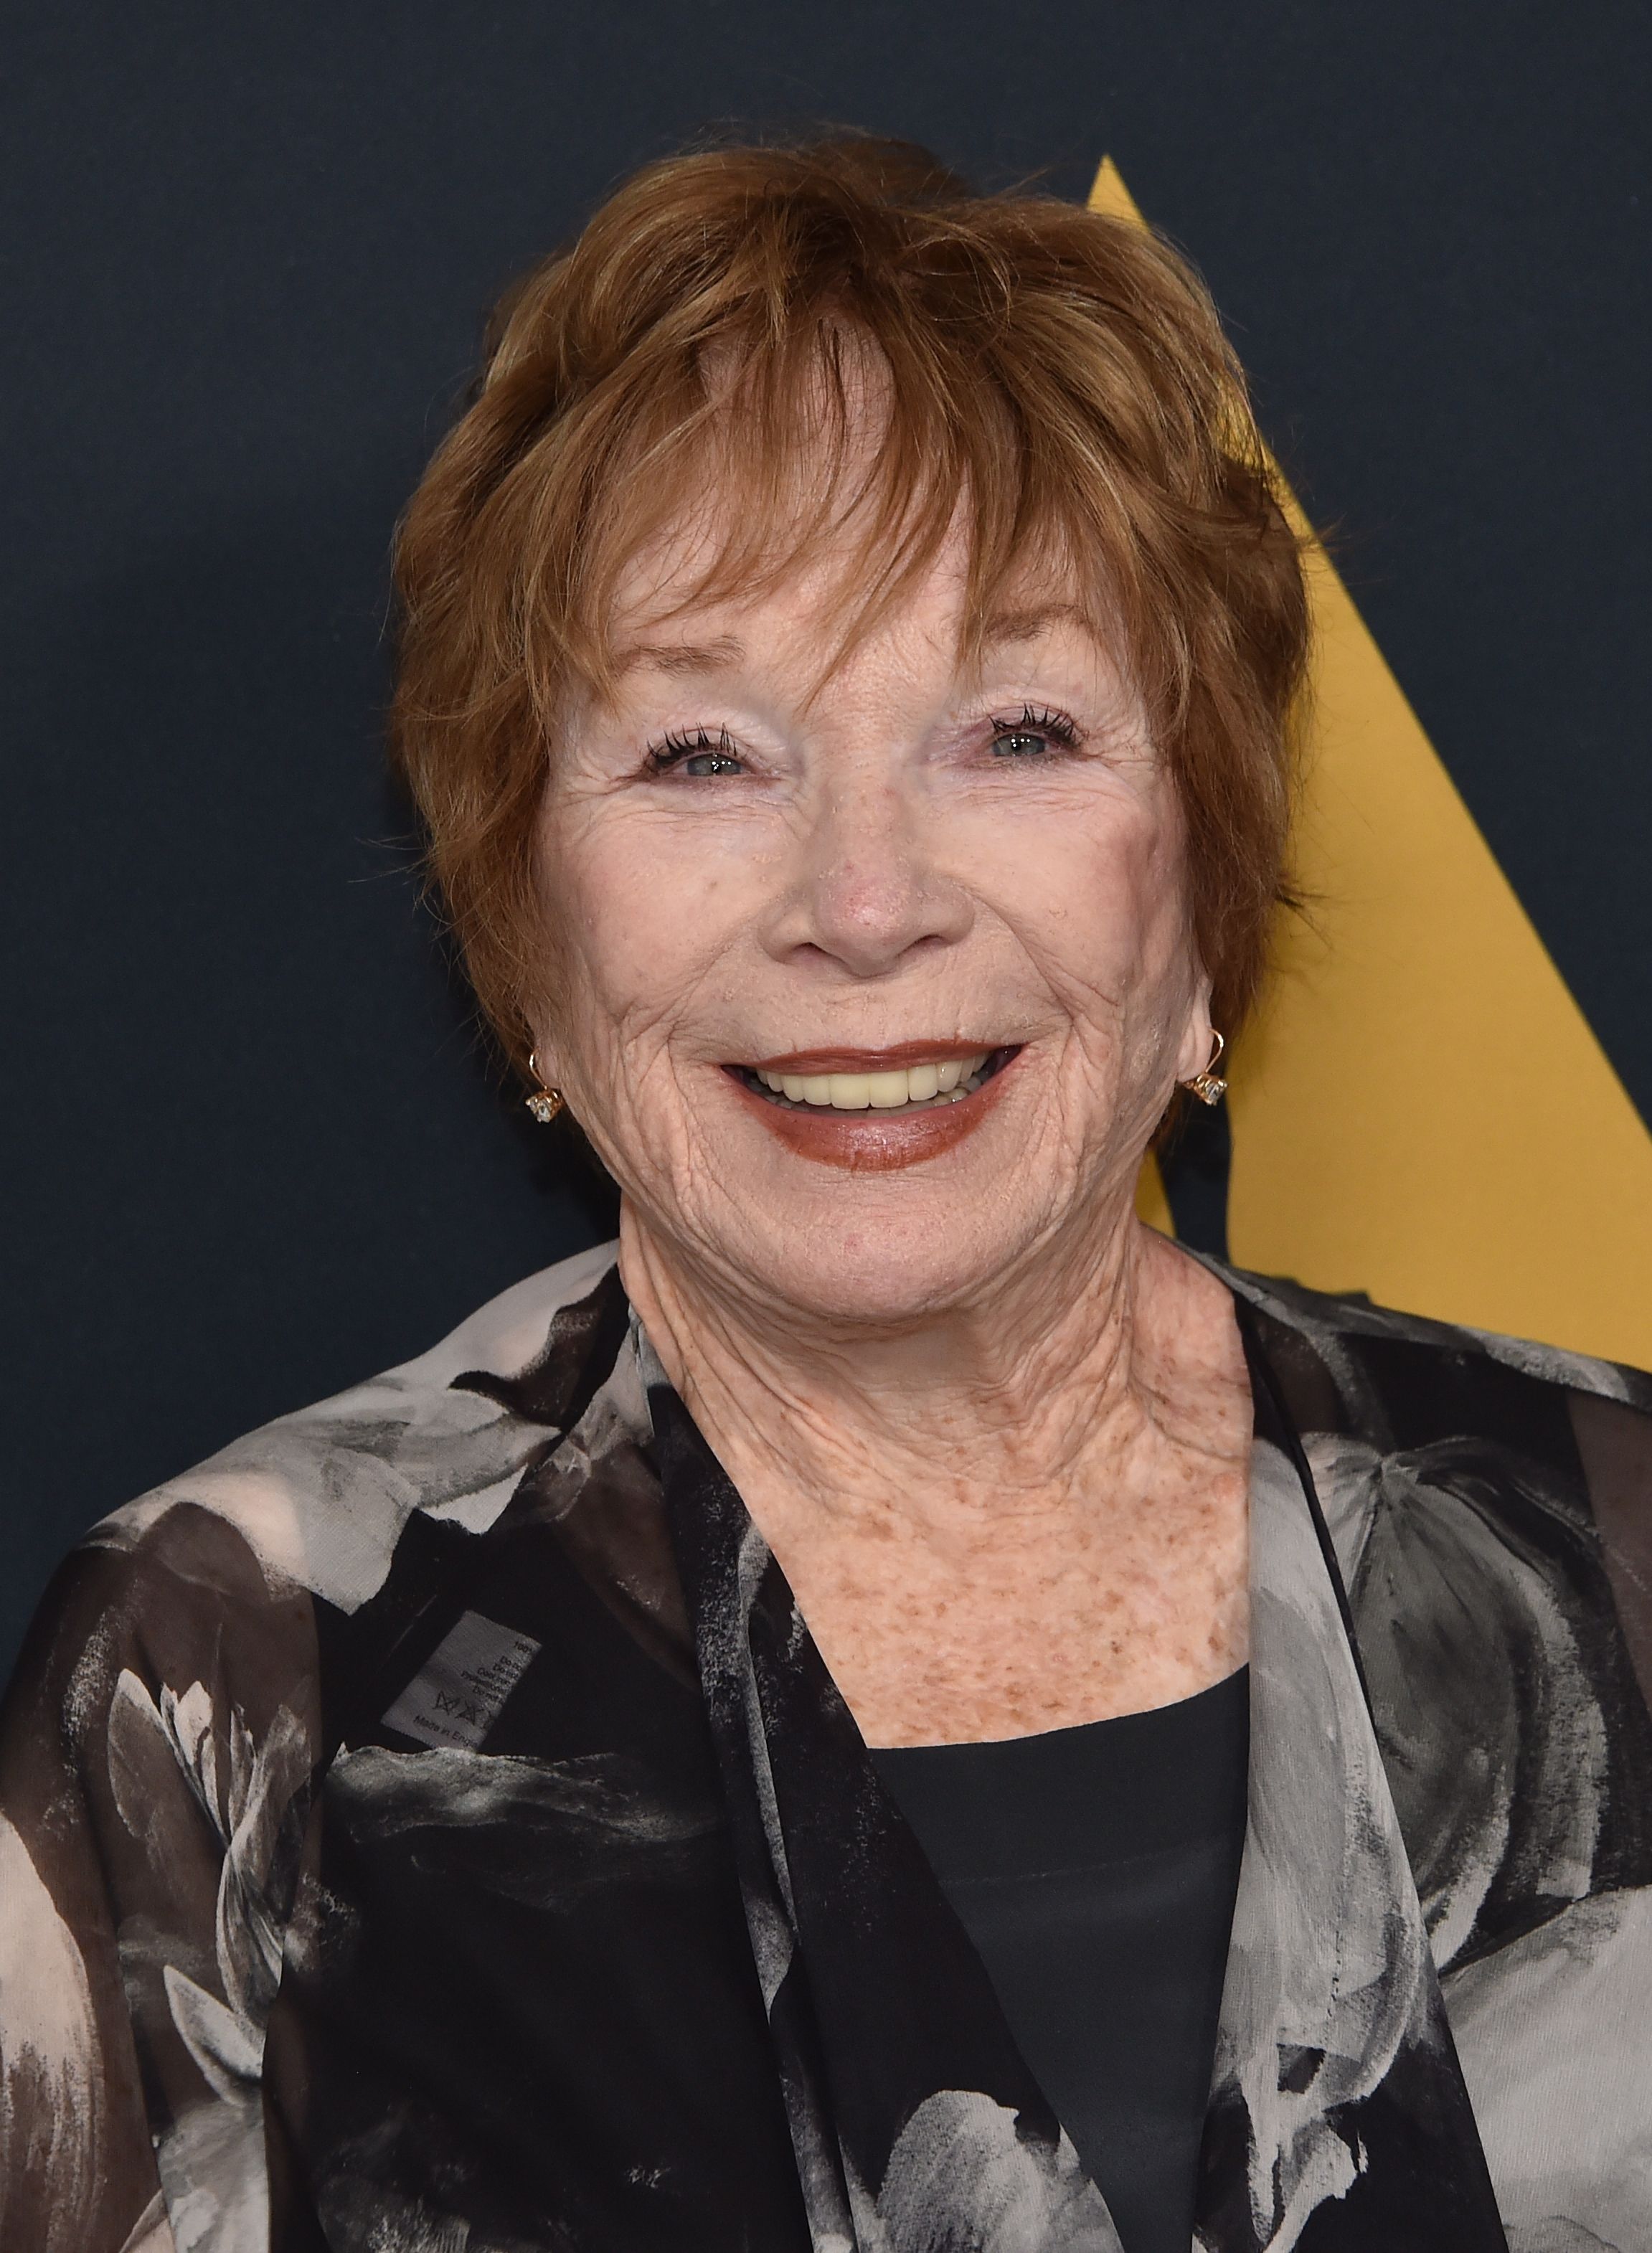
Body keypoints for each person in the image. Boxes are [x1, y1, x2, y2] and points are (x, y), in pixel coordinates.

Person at [1, 136, 1648, 2253]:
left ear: (1203, 902)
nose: (864, 907)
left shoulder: (1616, 1544)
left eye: (1019, 731)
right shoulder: (234, 1682)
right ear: (529, 933)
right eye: (705, 756)